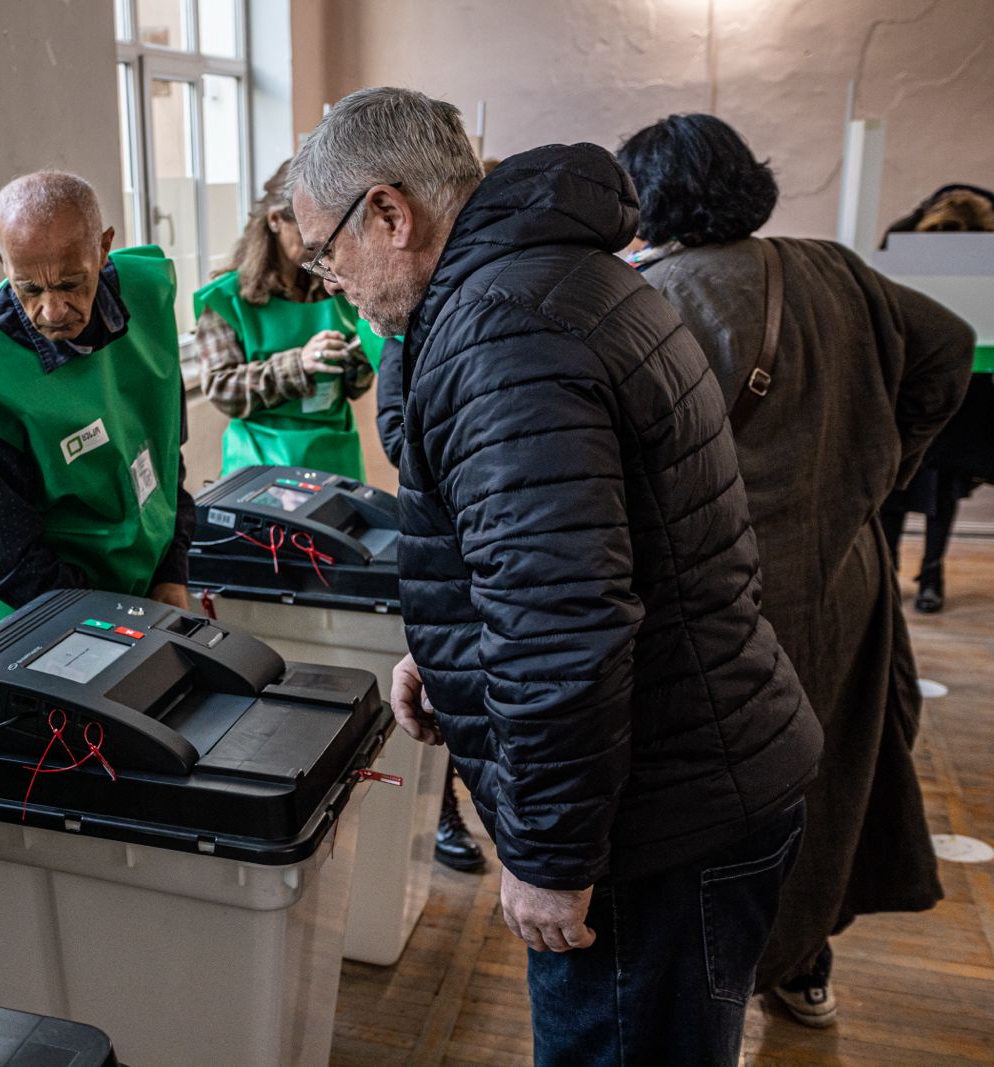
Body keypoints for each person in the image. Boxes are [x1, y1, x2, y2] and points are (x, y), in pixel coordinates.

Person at [291, 87, 823, 1066]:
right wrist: (450, 661)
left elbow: (561, 618)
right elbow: (537, 552)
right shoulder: (545, 279)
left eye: (328, 253)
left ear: (389, 212)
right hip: (691, 771)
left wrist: (549, 856)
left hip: (655, 819)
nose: (336, 284)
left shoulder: (504, 329)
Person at [618, 114, 971, 1026]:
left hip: (719, 604)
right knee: (830, 775)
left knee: (729, 802)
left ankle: (721, 984)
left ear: (646, 197)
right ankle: (805, 961)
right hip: (841, 580)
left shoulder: (646, 299)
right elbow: (949, 347)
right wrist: (881, 471)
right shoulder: (831, 265)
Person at [0, 172, 193, 621]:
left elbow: (167, 459)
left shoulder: (146, 299)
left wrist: (173, 571)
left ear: (103, 248)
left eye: (71, 283)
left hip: (153, 584)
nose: (52, 310)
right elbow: (10, 562)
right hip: (55, 614)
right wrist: (124, 622)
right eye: (29, 287)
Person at [373, 331, 484, 874]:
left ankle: (458, 804)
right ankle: (445, 811)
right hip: (445, 531)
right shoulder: (402, 334)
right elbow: (397, 435)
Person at [191, 160, 376, 478]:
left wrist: (357, 357)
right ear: (276, 220)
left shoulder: (337, 287)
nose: (321, 245)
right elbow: (223, 391)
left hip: (334, 454)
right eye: (307, 232)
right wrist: (299, 364)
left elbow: (356, 388)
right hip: (261, 462)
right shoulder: (227, 300)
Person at [877, 183, 994, 612]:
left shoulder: (987, 257)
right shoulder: (911, 251)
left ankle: (930, 575)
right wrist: (930, 203)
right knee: (896, 488)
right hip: (914, 382)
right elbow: (889, 243)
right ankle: (891, 574)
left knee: (939, 490)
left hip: (965, 390)